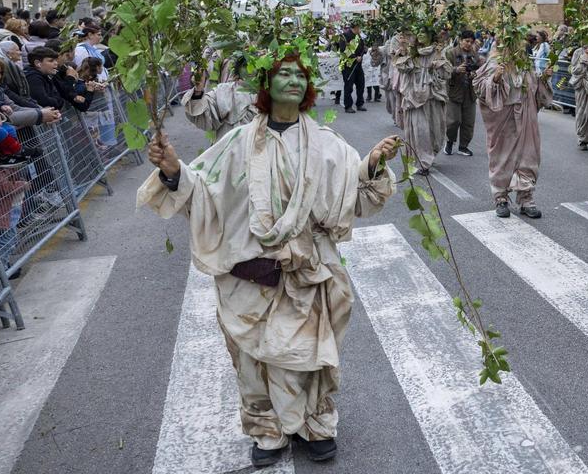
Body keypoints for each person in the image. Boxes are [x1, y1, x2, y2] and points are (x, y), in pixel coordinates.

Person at [140, 55, 398, 467]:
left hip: (307, 273)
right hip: (250, 275)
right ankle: (267, 430)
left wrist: (371, 165)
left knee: (311, 356)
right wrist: (173, 171)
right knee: (252, 359)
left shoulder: (328, 143)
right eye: (284, 73)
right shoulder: (237, 142)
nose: (294, 80)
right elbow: (202, 191)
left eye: (301, 74)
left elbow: (356, 197)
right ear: (266, 83)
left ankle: (316, 423)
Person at [474, 42, 553, 218]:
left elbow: (535, 92)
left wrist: (544, 79)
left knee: (528, 157)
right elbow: (479, 87)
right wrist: (494, 79)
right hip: (504, 120)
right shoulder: (495, 63)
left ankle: (526, 198)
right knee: (502, 158)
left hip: (526, 117)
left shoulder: (526, 65)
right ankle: (500, 198)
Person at [395, 30, 450, 174]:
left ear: (430, 35)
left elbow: (446, 74)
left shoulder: (438, 51)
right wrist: (402, 52)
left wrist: (438, 61)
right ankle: (423, 162)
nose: (420, 35)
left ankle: (430, 152)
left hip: (433, 96)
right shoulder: (412, 52)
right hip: (415, 97)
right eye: (418, 32)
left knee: (435, 130)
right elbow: (402, 68)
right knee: (420, 130)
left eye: (423, 32)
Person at [183, 57, 259, 141]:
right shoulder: (224, 91)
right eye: (245, 65)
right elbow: (203, 116)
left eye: (254, 63)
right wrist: (198, 90)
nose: (250, 69)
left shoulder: (271, 91)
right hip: (230, 151)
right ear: (238, 70)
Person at [444, 31, 484, 157]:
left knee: (468, 121)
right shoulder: (450, 53)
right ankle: (449, 142)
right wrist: (455, 70)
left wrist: (474, 74)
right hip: (454, 91)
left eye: (471, 42)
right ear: (460, 40)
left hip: (470, 93)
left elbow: (479, 71)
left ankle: (463, 146)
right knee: (453, 121)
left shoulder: (475, 55)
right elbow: (443, 70)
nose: (468, 44)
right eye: (466, 41)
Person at [337, 20, 367, 114]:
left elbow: (361, 47)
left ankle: (360, 103)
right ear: (355, 27)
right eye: (359, 28)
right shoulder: (344, 36)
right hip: (348, 65)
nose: (360, 30)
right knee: (349, 86)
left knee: (361, 84)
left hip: (358, 65)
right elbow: (343, 50)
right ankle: (348, 106)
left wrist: (364, 50)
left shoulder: (359, 37)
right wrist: (354, 57)